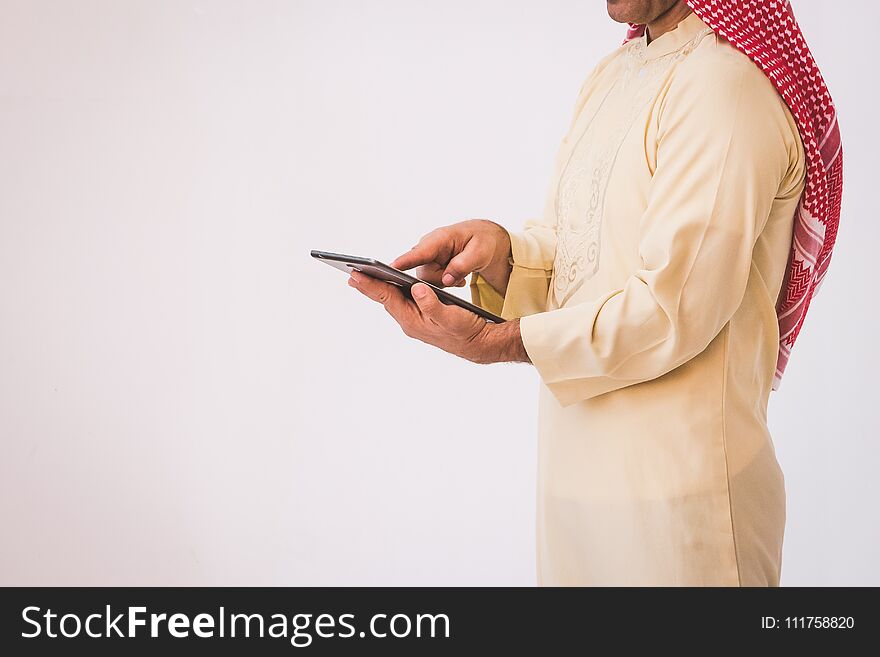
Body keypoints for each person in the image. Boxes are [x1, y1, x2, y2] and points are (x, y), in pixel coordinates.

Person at [347, 0, 842, 586]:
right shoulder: (618, 72)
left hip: (682, 505)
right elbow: (581, 253)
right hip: (576, 491)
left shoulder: (726, 85)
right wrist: (505, 253)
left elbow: (673, 307)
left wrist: (498, 340)